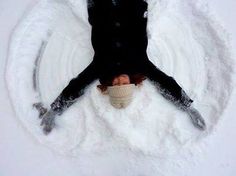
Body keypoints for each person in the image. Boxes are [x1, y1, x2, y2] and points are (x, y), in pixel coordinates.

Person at [38, 0, 206, 134]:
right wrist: (188, 107)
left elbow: (77, 86)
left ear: (110, 86)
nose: (119, 81)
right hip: (130, 7)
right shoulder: (140, 65)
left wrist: (55, 110)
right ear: (130, 84)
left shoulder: (101, 67)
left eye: (115, 85)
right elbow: (165, 82)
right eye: (123, 84)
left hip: (102, 7)